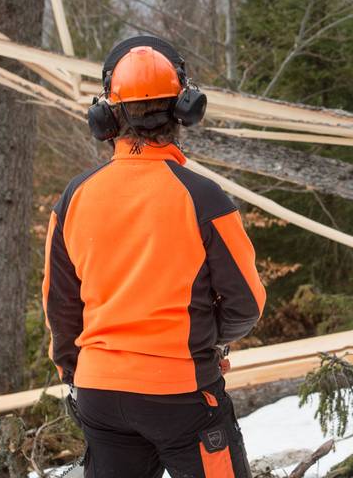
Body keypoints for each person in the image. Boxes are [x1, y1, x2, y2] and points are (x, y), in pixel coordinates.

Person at [41, 36, 266, 477]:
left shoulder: (74, 198)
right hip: (181, 394)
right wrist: (203, 339)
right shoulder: (203, 198)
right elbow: (247, 304)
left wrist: (77, 371)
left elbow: (60, 307)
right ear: (185, 108)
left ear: (107, 116)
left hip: (99, 395)